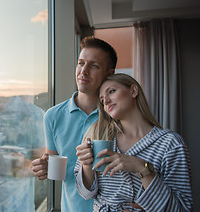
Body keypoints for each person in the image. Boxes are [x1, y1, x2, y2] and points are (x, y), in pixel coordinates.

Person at [74, 73, 193, 211]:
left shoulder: (170, 144)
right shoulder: (98, 136)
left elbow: (182, 209)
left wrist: (142, 168)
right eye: (101, 100)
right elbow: (85, 193)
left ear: (133, 91)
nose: (105, 101)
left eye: (111, 91)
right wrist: (86, 166)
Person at [32, 36, 117, 211]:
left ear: (109, 74)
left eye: (94, 65)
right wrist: (44, 167)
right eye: (81, 63)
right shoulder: (52, 116)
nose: (83, 71)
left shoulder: (117, 115)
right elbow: (55, 163)